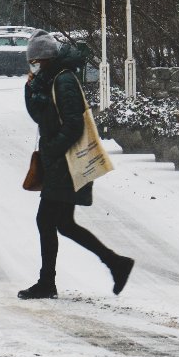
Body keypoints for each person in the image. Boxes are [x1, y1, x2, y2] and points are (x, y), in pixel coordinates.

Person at [19, 32, 133, 300]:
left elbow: (74, 125)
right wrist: (30, 90)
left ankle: (49, 282)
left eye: (34, 60)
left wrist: (54, 150)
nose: (32, 65)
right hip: (59, 164)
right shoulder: (49, 80)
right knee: (63, 224)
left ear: (45, 59)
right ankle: (116, 264)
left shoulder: (64, 80)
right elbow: (41, 117)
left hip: (67, 164)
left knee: (48, 221)